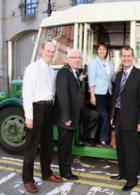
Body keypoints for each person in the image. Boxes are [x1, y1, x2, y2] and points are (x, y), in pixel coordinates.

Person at [22, 41, 62, 193]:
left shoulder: (52, 70)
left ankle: (46, 174)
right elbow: (27, 94)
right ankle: (27, 179)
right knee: (32, 147)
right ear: (41, 50)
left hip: (48, 108)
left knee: (48, 145)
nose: (50, 54)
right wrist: (29, 116)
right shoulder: (32, 68)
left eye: (53, 51)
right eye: (48, 51)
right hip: (36, 108)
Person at [54, 49, 99, 180]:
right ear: (68, 59)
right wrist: (66, 117)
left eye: (79, 58)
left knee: (94, 116)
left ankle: (83, 138)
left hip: (76, 111)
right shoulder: (63, 72)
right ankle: (65, 172)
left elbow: (72, 87)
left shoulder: (72, 72)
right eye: (74, 58)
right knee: (65, 145)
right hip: (67, 116)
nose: (77, 60)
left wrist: (79, 80)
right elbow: (62, 97)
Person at [110, 46, 140, 191]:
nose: (126, 58)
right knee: (120, 148)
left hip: (133, 120)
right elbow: (116, 97)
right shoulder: (119, 75)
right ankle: (123, 173)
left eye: (129, 56)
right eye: (124, 56)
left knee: (131, 151)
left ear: (133, 57)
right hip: (119, 116)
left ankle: (132, 179)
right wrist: (112, 116)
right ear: (121, 57)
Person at [88, 43, 115, 147]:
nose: (102, 51)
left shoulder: (109, 63)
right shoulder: (93, 63)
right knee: (103, 115)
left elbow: (111, 79)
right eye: (100, 49)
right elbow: (91, 79)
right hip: (97, 93)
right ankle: (103, 139)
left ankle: (99, 137)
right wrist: (92, 96)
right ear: (97, 51)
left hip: (107, 92)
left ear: (106, 51)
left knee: (106, 115)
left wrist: (117, 73)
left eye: (104, 49)